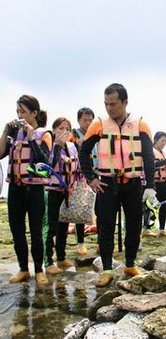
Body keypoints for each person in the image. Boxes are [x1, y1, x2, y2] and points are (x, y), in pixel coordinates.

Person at [79, 83, 155, 287]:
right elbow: (83, 153)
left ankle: (130, 264)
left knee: (133, 226)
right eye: (106, 104)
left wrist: (151, 186)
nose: (109, 108)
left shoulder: (140, 125)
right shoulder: (98, 125)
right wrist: (90, 178)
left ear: (125, 102)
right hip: (106, 185)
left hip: (132, 184)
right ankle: (106, 269)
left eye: (113, 104)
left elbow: (148, 156)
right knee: (105, 228)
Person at [0, 95, 49, 284]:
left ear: (34, 113)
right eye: (17, 112)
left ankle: (39, 270)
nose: (20, 115)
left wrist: (31, 138)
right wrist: (5, 131)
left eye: (23, 112)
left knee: (36, 231)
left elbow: (43, 161)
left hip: (34, 189)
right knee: (16, 230)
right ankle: (23, 269)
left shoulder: (44, 134)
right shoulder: (14, 133)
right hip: (15, 188)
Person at [43, 117, 80, 274]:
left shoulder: (72, 147)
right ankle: (48, 262)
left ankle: (61, 258)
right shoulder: (49, 145)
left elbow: (76, 168)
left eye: (67, 128)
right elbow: (47, 166)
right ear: (54, 129)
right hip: (52, 191)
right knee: (51, 226)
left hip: (68, 191)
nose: (64, 131)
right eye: (60, 128)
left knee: (64, 226)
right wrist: (57, 146)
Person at [70, 107, 97, 256]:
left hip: (96, 175)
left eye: (90, 120)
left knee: (100, 209)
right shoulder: (73, 135)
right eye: (85, 120)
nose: (88, 122)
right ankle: (80, 243)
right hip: (80, 177)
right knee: (81, 210)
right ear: (79, 120)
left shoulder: (96, 134)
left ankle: (101, 242)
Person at [143, 131, 166, 237]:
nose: (164, 143)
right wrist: (165, 163)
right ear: (155, 140)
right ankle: (146, 228)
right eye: (162, 140)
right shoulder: (150, 152)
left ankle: (162, 229)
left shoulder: (164, 153)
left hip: (164, 182)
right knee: (150, 206)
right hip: (154, 183)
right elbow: (151, 165)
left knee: (163, 205)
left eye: (165, 141)